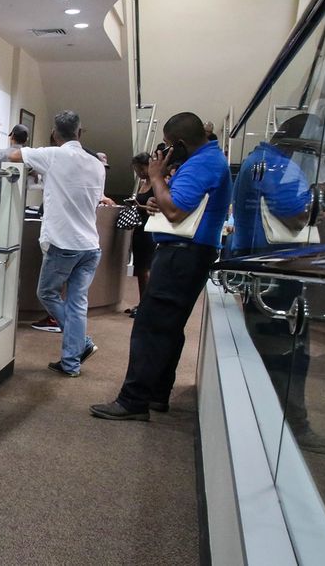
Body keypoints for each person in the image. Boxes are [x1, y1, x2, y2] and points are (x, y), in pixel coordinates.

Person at [90, 112, 232, 420]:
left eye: (168, 145)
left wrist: (156, 176)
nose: (164, 150)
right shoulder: (207, 160)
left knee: (151, 327)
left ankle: (133, 401)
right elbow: (174, 203)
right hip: (189, 253)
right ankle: (156, 394)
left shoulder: (203, 163)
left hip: (183, 253)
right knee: (167, 327)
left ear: (180, 143)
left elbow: (177, 212)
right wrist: (158, 200)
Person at [230, 114, 325, 454]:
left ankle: (268, 422)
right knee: (288, 352)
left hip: (262, 268)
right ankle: (291, 426)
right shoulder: (277, 166)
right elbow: (294, 216)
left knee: (272, 350)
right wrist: (315, 197)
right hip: (275, 271)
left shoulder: (259, 160)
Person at [8, 111, 104, 377]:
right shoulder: (96, 163)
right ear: (80, 133)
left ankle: (80, 342)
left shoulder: (53, 155)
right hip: (90, 245)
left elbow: (14, 156)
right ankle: (71, 362)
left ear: (54, 134)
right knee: (77, 303)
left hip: (64, 245)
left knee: (47, 294)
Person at [126, 152, 156, 317]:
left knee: (145, 268)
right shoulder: (143, 184)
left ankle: (147, 304)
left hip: (149, 228)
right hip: (139, 228)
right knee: (139, 268)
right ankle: (142, 302)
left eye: (139, 169)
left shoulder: (156, 184)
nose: (137, 172)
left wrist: (139, 206)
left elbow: (157, 208)